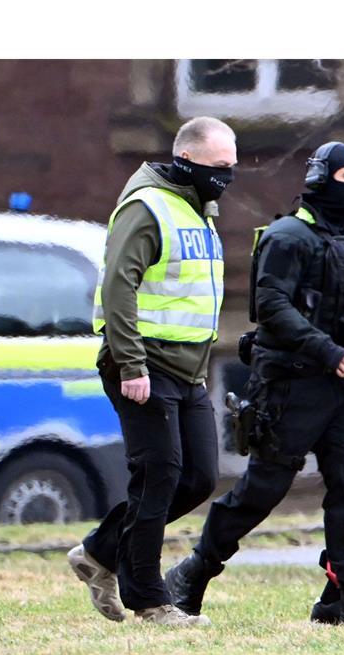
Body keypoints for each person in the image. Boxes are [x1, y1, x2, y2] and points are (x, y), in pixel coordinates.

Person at [163, 142, 344, 626]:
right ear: (319, 178)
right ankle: (193, 573)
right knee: (263, 489)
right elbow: (272, 307)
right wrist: (327, 351)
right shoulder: (287, 236)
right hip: (292, 384)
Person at [66, 116, 237, 627]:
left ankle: (99, 552)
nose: (227, 177)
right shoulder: (147, 207)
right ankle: (150, 600)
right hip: (143, 362)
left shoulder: (198, 209)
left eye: (232, 166)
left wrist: (200, 368)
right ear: (186, 160)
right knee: (158, 474)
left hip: (188, 370)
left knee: (198, 478)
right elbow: (118, 287)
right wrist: (131, 365)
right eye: (219, 166)